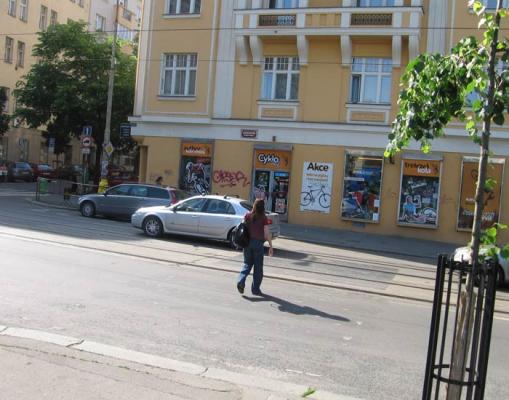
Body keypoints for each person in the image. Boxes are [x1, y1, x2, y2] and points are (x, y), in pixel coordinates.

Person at [237, 199, 273, 296]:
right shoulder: (263, 217)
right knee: (258, 268)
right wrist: (270, 246)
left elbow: (242, 226)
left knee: (247, 264)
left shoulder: (247, 215)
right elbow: (267, 233)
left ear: (254, 205)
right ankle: (255, 290)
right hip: (258, 244)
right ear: (263, 207)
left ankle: (241, 280)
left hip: (247, 243)